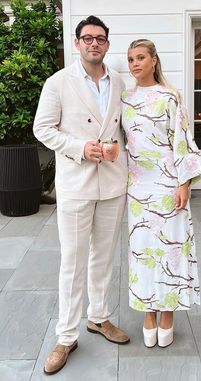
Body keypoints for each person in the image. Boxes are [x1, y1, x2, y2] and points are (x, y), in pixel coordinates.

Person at [33, 15, 129, 375]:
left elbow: (125, 127)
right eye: (87, 38)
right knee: (72, 263)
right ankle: (66, 335)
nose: (94, 43)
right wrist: (78, 147)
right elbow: (42, 128)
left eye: (100, 38)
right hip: (76, 183)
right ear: (77, 43)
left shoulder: (119, 80)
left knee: (104, 258)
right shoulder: (58, 82)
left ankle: (99, 317)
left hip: (112, 183)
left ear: (107, 43)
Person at [121, 39, 201, 348]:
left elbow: (181, 140)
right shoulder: (124, 99)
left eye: (141, 57)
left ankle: (168, 311)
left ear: (154, 60)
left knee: (170, 248)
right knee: (143, 252)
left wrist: (183, 182)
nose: (135, 63)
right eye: (131, 59)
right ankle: (148, 311)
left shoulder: (170, 97)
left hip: (169, 183)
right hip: (138, 187)